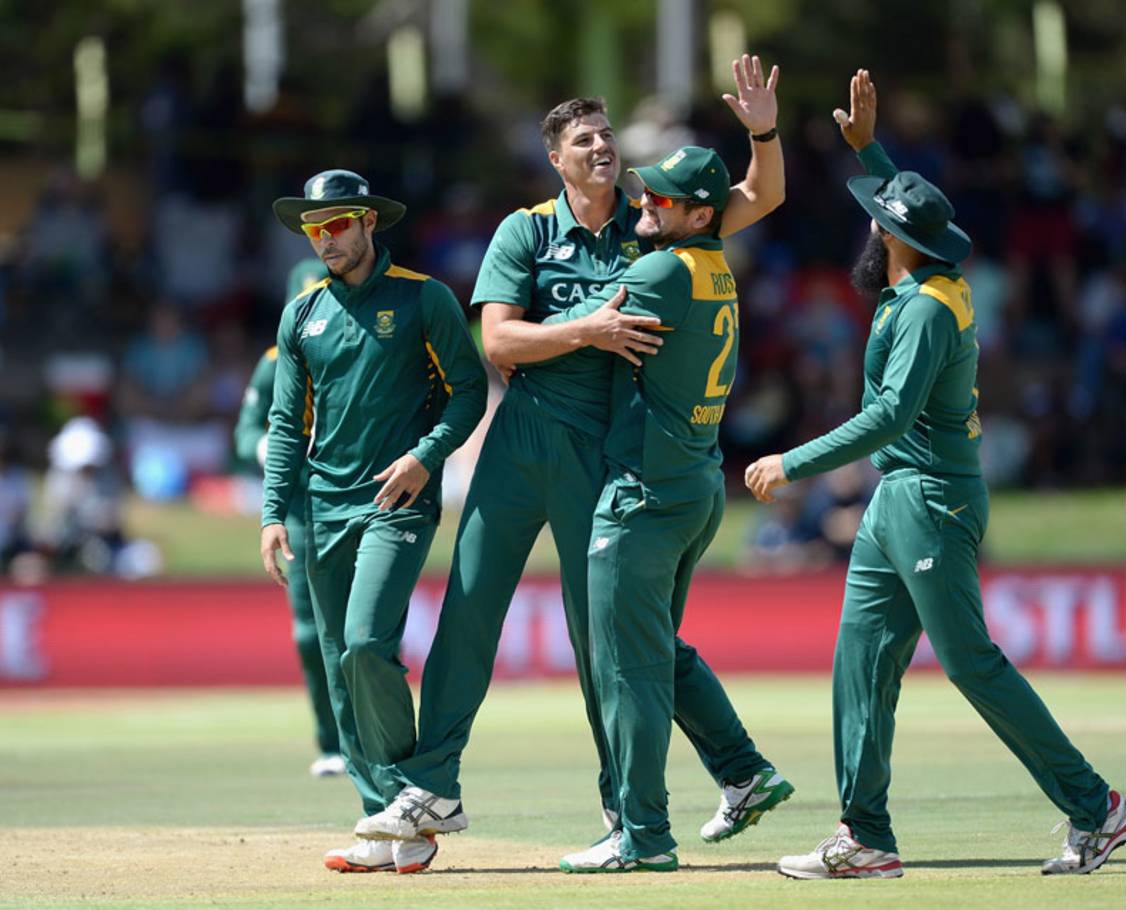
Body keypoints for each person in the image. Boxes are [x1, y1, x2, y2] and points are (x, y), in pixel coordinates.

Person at [356, 57, 790, 853]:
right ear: (554, 157)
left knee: (605, 643)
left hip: (605, 446)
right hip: (522, 438)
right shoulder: (526, 228)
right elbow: (496, 339)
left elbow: (763, 195)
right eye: (583, 139)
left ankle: (623, 809)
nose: (601, 148)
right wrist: (584, 331)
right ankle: (433, 788)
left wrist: (761, 129)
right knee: (470, 610)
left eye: (606, 135)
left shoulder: (653, 218)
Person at [745, 71, 1126, 880]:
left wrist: (794, 461)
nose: (866, 228)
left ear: (891, 240)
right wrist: (868, 148)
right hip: (898, 500)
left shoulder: (928, 308)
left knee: (970, 663)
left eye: (875, 221)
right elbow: (909, 210)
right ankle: (864, 835)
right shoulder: (921, 278)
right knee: (860, 661)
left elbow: (891, 417)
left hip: (930, 498)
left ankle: (1097, 808)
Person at [546, 145, 790, 872]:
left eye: (659, 200)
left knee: (627, 667)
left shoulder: (657, 271)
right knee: (654, 651)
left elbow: (581, 339)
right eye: (644, 195)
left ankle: (643, 836)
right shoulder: (712, 266)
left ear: (700, 214)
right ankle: (744, 772)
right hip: (693, 485)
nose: (642, 205)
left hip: (643, 495)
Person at [260, 170, 486, 875]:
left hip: (397, 502)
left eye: (337, 225)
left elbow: (469, 392)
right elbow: (284, 423)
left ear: (368, 224)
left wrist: (425, 457)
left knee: (364, 644)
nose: (326, 239)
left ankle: (414, 797)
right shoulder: (302, 315)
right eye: (313, 229)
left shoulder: (424, 299)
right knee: (338, 669)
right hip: (321, 508)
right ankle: (385, 822)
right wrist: (273, 512)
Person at [234, 258, 342, 780]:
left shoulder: (360, 346)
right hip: (301, 509)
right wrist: (273, 454)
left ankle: (374, 737)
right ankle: (332, 742)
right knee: (309, 632)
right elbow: (246, 431)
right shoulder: (275, 361)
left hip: (358, 497)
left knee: (361, 631)